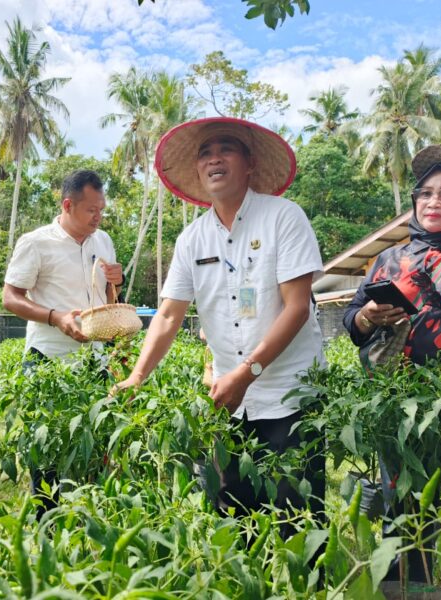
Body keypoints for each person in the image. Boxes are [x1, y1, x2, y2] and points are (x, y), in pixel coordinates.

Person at [114, 117, 326, 518]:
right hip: (228, 400)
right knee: (234, 512)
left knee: (296, 516)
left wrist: (246, 373)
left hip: (290, 395)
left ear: (249, 164)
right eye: (205, 153)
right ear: (198, 169)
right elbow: (168, 315)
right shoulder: (192, 239)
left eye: (226, 149)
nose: (214, 159)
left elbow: (297, 306)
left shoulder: (283, 217)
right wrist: (137, 376)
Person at [344, 145, 441, 595]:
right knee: (403, 514)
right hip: (402, 408)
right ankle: (404, 589)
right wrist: (367, 317)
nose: (434, 201)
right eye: (426, 193)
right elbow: (352, 321)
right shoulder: (390, 259)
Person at [2, 169, 122, 508]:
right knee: (47, 450)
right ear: (68, 205)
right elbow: (10, 297)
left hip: (94, 360)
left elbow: (109, 298)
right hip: (48, 360)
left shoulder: (103, 241)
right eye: (91, 210)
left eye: (101, 210)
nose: (98, 217)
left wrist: (117, 280)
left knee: (94, 446)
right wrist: (56, 317)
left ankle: (85, 520)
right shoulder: (36, 242)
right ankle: (47, 521)